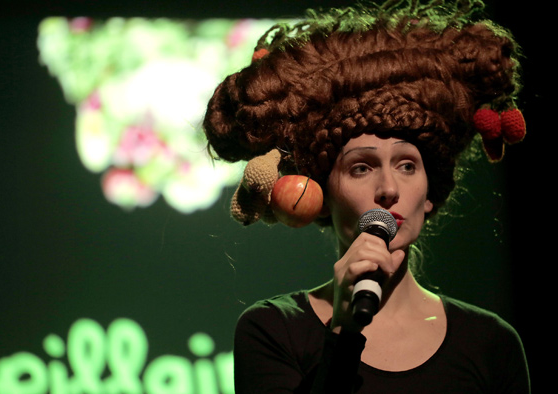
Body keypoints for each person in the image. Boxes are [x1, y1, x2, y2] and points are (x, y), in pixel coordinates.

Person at [203, 0, 530, 392]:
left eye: (408, 165)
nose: (389, 189)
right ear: (322, 195)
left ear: (430, 193)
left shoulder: (491, 343)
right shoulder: (274, 330)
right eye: (361, 167)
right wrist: (342, 328)